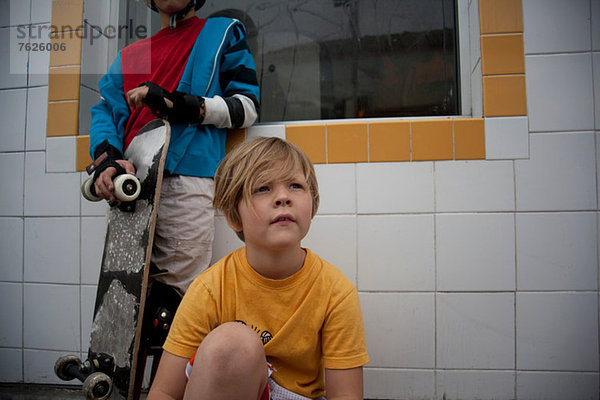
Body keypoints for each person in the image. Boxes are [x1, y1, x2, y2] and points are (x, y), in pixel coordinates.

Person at [147, 137, 370, 400]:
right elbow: (164, 392)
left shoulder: (335, 291)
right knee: (232, 345)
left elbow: (346, 396)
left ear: (312, 205)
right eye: (263, 188)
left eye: (296, 186)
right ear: (233, 216)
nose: (283, 197)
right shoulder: (210, 288)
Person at [88, 0, 260, 307]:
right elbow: (106, 112)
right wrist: (107, 162)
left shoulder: (223, 33)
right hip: (130, 187)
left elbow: (247, 108)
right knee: (125, 308)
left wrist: (176, 104)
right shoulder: (132, 55)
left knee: (177, 307)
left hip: (187, 183)